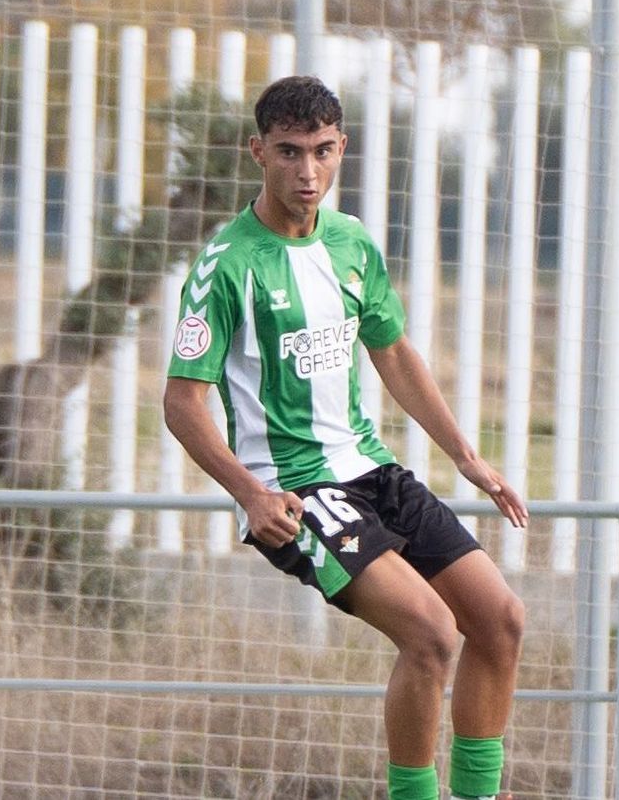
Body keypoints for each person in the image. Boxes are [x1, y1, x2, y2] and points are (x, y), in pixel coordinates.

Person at [163, 75, 527, 800]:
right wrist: (249, 492)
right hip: (296, 490)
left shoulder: (353, 243)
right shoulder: (226, 265)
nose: (307, 172)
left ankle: (479, 795)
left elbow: (392, 352)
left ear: (342, 149)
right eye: (290, 153)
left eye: (323, 152)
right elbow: (181, 403)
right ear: (257, 152)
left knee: (500, 620)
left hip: (371, 470)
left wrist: (468, 457)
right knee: (431, 634)